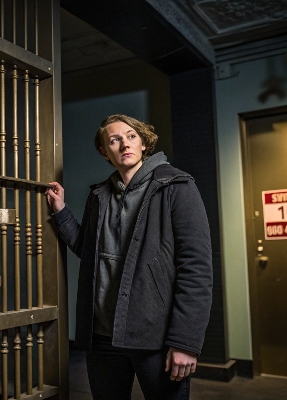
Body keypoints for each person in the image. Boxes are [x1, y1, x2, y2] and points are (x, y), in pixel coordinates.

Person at [45, 114, 213, 400]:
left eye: (131, 136)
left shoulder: (177, 187)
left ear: (144, 143)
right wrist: (61, 211)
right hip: (102, 337)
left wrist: (185, 342)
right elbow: (88, 250)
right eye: (115, 140)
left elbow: (196, 268)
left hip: (154, 336)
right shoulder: (99, 195)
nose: (125, 144)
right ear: (104, 152)